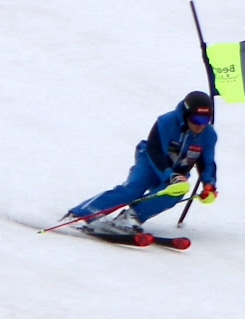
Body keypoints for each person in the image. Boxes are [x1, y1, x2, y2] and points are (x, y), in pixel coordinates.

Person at [63, 90, 218, 234]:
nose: (200, 125)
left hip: (177, 173)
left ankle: (131, 216)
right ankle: (82, 213)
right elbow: (155, 151)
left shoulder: (208, 135)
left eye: (206, 120)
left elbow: (207, 163)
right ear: (185, 115)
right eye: (196, 119)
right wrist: (169, 175)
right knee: (134, 189)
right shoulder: (166, 122)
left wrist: (209, 185)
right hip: (150, 161)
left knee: (176, 191)